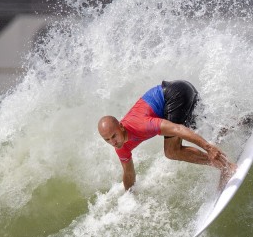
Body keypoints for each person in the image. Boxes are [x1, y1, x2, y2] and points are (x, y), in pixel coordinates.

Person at [98, 80, 236, 190]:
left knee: (171, 151)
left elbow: (177, 129)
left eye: (114, 136)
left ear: (121, 127)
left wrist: (208, 147)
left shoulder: (140, 125)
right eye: (107, 140)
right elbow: (128, 173)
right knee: (212, 132)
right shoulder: (120, 146)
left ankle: (226, 167)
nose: (113, 142)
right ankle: (243, 122)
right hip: (176, 97)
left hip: (176, 94)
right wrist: (129, 197)